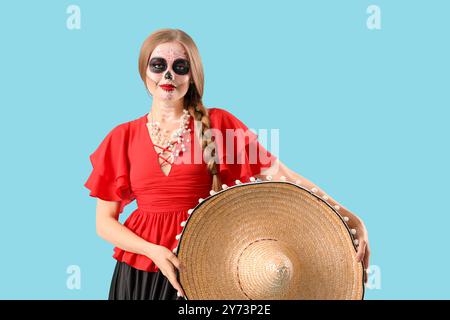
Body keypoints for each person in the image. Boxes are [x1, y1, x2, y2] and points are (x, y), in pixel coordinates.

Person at [84, 28, 370, 300]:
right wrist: (153, 251)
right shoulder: (122, 136)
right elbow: (104, 223)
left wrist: (351, 218)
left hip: (203, 266)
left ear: (193, 76)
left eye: (180, 66)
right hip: (139, 272)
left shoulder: (219, 124)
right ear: (144, 72)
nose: (168, 74)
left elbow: (283, 175)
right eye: (158, 65)